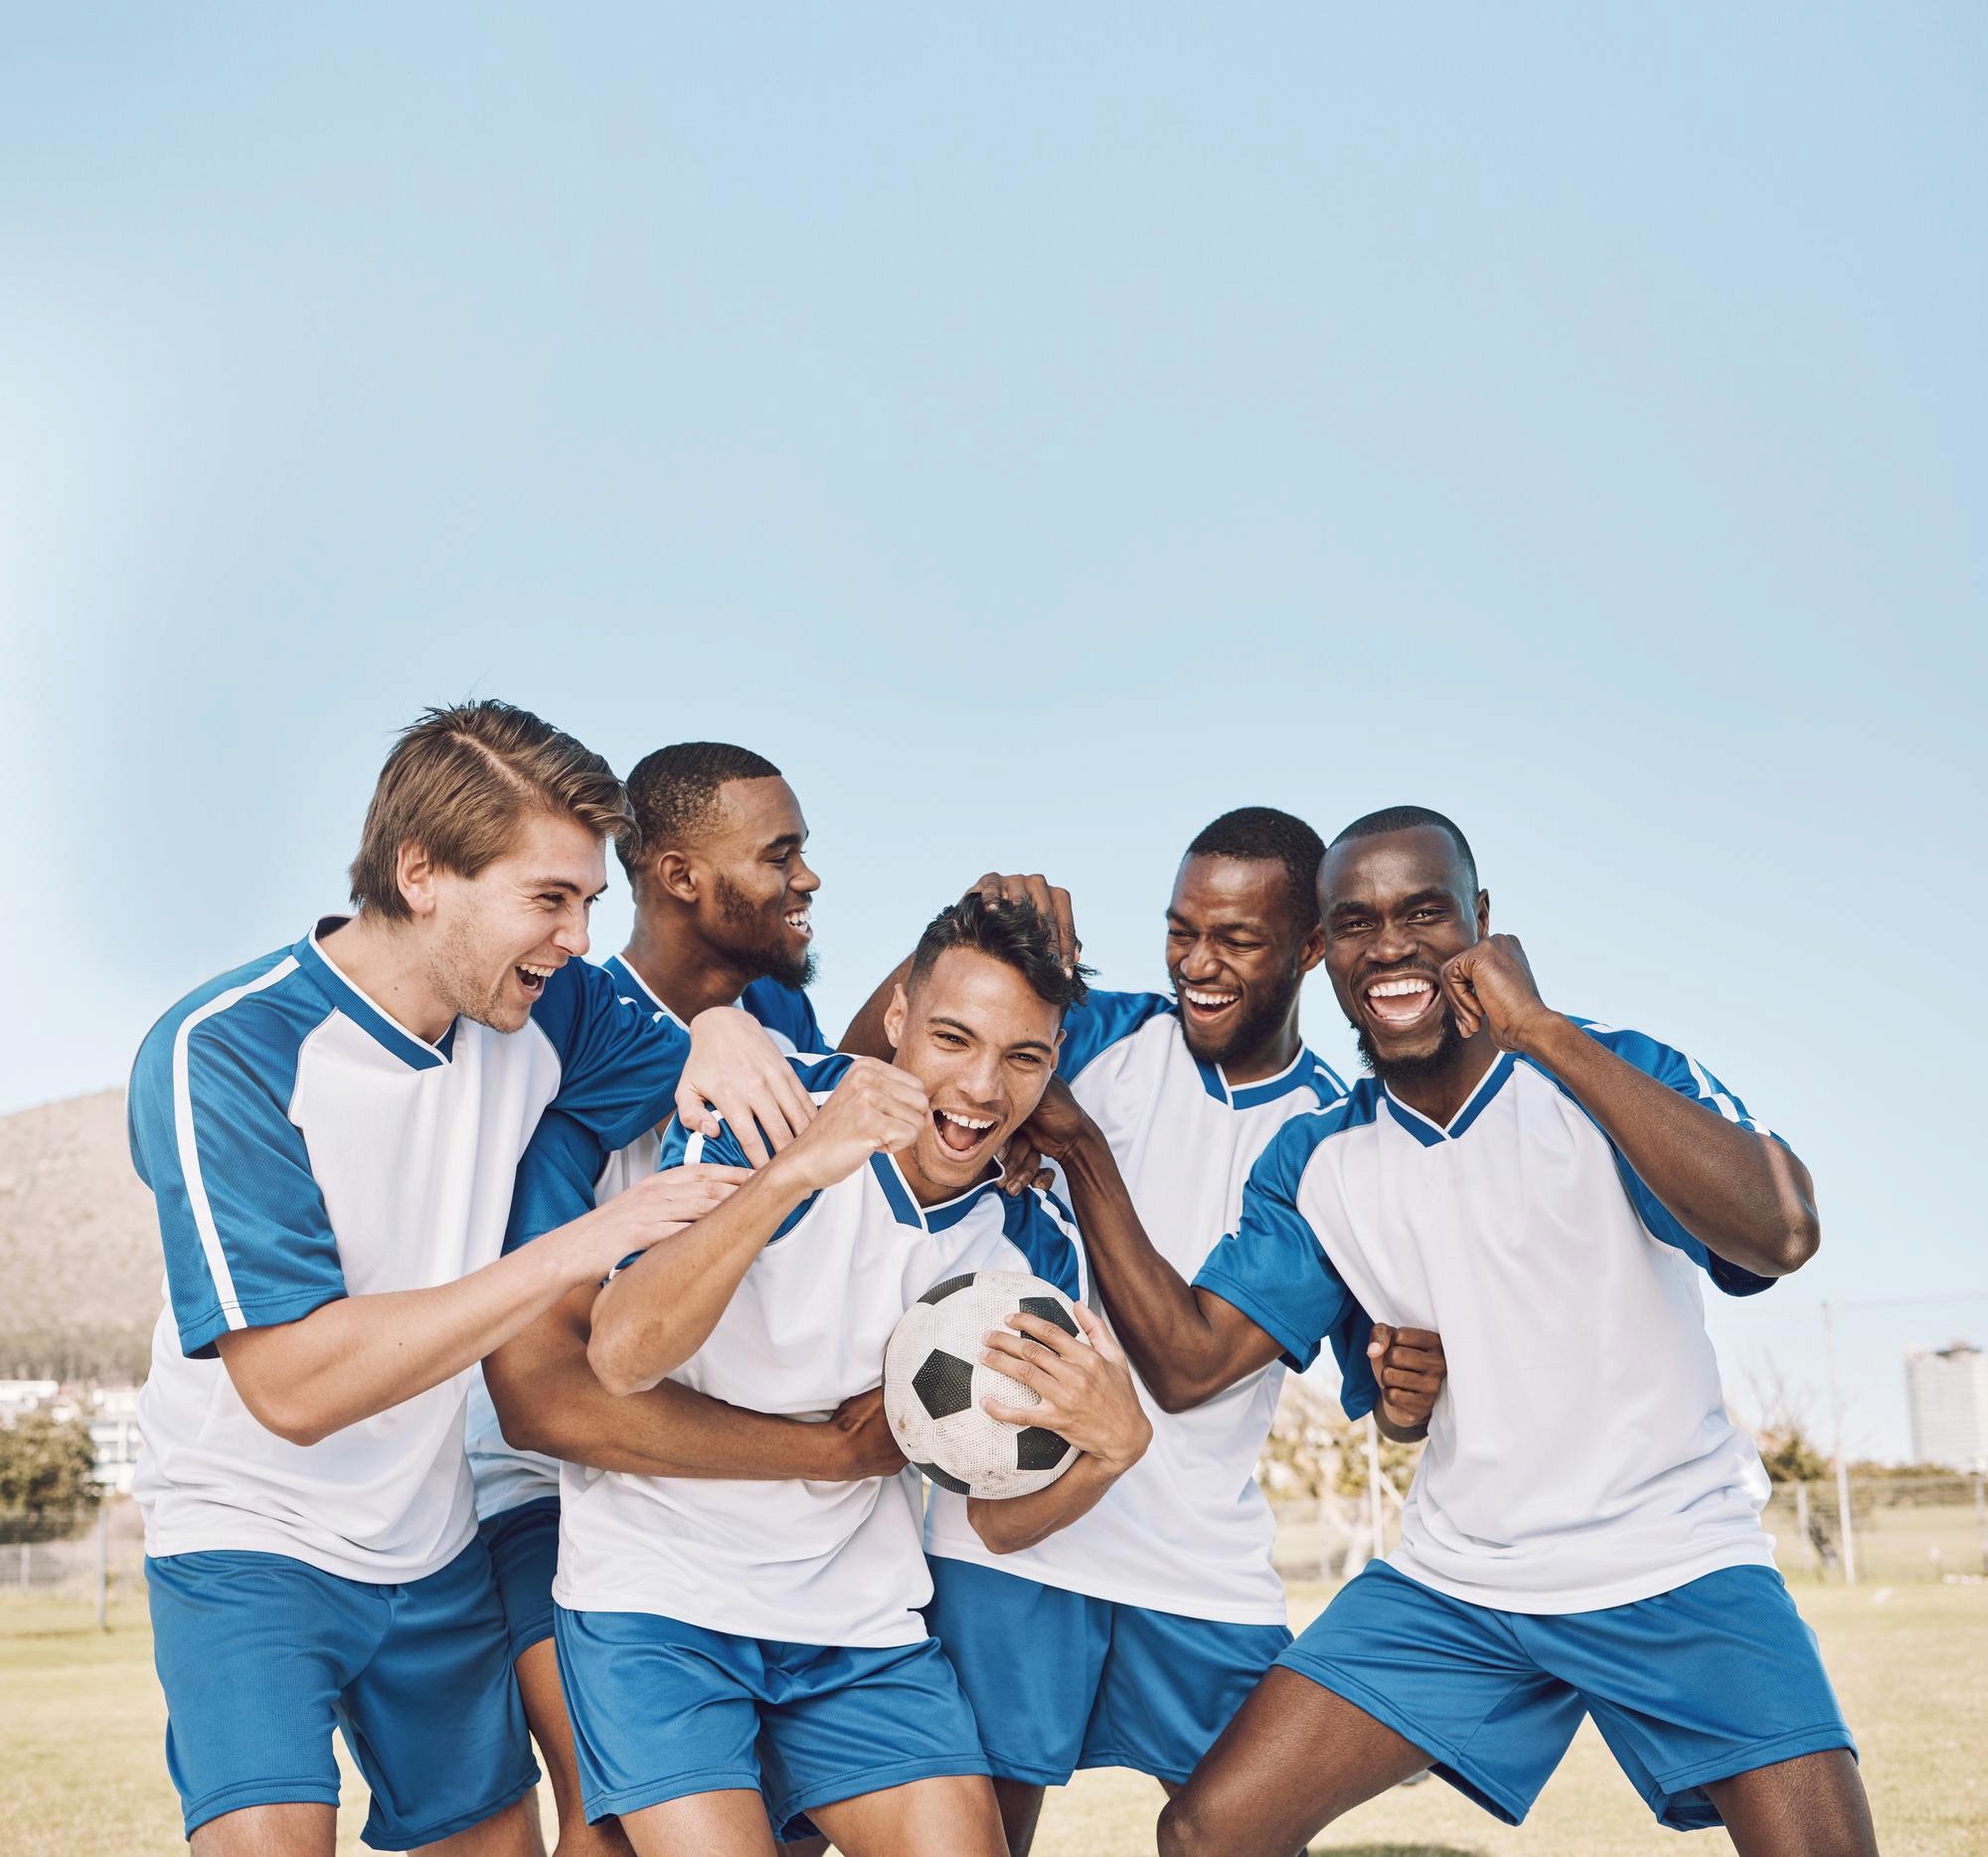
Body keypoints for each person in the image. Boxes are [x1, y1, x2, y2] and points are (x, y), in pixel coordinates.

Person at [1028, 805, 1875, 1857]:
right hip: (1460, 1582)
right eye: (1354, 921)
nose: (1387, 942)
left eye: (1421, 911)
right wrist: (1081, 1146)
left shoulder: (1605, 1071)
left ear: (1479, 921)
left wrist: (1543, 1032)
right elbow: (1194, 1359)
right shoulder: (1317, 1157)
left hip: (1674, 1561)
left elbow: (1780, 1228)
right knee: (1209, 1828)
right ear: (1322, 952)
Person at [128, 701, 809, 1857]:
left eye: (589, 902)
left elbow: (694, 1032)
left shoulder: (551, 1010)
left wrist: (720, 1028)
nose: (577, 939)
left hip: (429, 1532)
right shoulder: (226, 1048)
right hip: (248, 1530)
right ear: (421, 871)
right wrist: (579, 1245)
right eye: (548, 899)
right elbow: (294, 1384)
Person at [846, 812, 1446, 1857]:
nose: (1197, 963)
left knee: (1236, 1830)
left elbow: (1192, 1364)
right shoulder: (1099, 1032)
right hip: (1008, 1536)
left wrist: (1074, 1141)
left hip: (1193, 1564)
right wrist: (968, 927)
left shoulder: (1337, 1140)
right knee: (982, 1837)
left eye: (1235, 939)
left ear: (1309, 947)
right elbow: (877, 1063)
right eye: (1180, 930)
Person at [509, 896, 1146, 1857]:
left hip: (856, 1624)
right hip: (659, 1599)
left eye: (1024, 1058)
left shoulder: (1028, 1245)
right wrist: (798, 1169)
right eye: (951, 1038)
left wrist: (1111, 1453)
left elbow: (993, 1516)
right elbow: (622, 1352)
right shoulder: (771, 1109)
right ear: (896, 1022)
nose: (980, 1087)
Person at [464, 741, 829, 1855]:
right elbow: (548, 1369)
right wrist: (708, 1028)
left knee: (788, 1807)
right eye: (781, 854)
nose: (807, 877)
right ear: (676, 873)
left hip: (716, 1473)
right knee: (611, 1802)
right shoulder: (563, 1000)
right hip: (547, 1475)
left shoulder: (784, 1017)